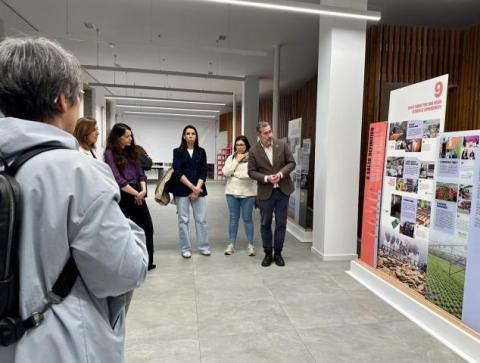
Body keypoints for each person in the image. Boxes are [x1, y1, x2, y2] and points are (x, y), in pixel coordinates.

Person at [0, 37, 148, 363]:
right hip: (57, 343)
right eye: (80, 95)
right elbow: (121, 272)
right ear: (63, 100)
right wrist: (133, 233)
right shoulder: (79, 173)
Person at [104, 123, 156, 271]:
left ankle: (147, 262)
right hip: (123, 195)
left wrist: (143, 191)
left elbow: (141, 174)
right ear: (118, 137)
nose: (130, 139)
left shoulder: (133, 151)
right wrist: (136, 193)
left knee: (147, 228)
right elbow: (118, 178)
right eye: (127, 136)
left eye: (131, 135)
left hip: (138, 193)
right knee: (120, 231)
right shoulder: (109, 153)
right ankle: (121, 262)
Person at [248, 121, 295, 267]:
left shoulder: (281, 145)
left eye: (270, 131)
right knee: (265, 223)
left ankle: (278, 253)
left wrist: (281, 174)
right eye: (266, 133)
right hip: (265, 192)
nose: (270, 135)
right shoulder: (253, 151)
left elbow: (291, 163)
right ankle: (268, 253)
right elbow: (251, 172)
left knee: (281, 223)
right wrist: (266, 178)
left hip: (283, 190)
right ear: (259, 135)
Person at [172, 125, 211, 258]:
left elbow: (203, 171)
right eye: (187, 133)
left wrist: (197, 189)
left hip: (199, 190)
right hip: (182, 189)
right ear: (184, 136)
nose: (190, 136)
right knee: (183, 220)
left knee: (201, 220)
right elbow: (177, 171)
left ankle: (204, 246)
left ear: (196, 136)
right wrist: (192, 187)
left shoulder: (201, 152)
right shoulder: (177, 152)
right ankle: (185, 248)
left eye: (193, 133)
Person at [222, 135, 257, 256]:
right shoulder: (231, 158)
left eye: (242, 144)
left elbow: (251, 174)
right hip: (232, 192)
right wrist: (236, 161)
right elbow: (225, 172)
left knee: (247, 219)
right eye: (237, 145)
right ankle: (231, 245)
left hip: (248, 193)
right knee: (233, 219)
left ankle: (251, 245)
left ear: (247, 145)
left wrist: (234, 174)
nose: (239, 147)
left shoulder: (253, 158)